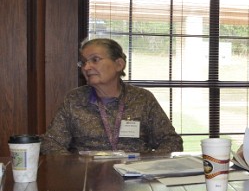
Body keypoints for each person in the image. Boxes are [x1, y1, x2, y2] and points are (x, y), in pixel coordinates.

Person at [41, 38, 183, 154]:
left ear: (119, 64)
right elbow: (51, 142)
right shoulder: (74, 99)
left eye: (94, 60)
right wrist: (77, 166)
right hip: (89, 179)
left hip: (133, 179)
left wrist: (146, 165)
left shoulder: (142, 98)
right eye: (83, 62)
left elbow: (171, 142)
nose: (86, 67)